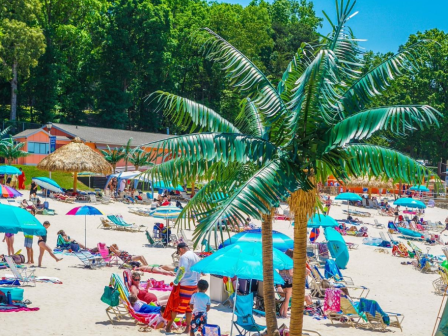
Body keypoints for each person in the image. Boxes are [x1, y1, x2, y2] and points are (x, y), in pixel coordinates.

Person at [165, 242, 201, 333]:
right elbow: (199, 271)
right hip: (194, 285)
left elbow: (182, 269)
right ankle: (187, 328)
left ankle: (168, 327)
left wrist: (176, 282)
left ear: (180, 249)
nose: (179, 254)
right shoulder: (196, 256)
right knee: (189, 308)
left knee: (175, 306)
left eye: (179, 252)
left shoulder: (184, 256)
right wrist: (196, 283)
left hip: (185, 285)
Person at [277, 249, 293, 318]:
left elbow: (279, 273)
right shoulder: (290, 262)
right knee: (287, 299)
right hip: (289, 282)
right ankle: (285, 314)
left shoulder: (281, 262)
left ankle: (281, 312)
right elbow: (291, 273)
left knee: (284, 298)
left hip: (282, 282)